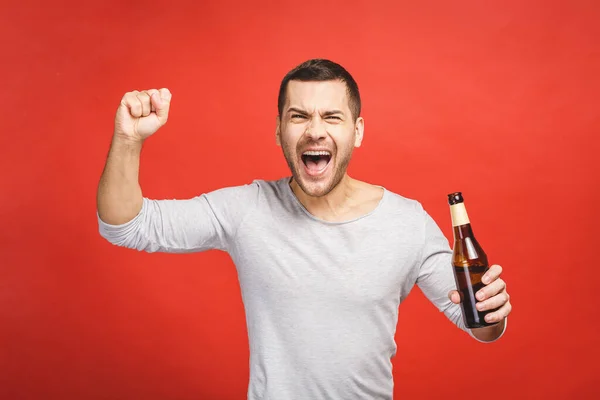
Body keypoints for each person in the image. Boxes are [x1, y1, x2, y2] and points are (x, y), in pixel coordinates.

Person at [96, 59, 511, 399]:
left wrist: (491, 308)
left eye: (332, 116)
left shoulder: (407, 221)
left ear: (357, 131)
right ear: (279, 130)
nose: (315, 130)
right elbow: (127, 226)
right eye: (299, 116)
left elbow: (478, 324)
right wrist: (128, 139)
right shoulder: (247, 208)